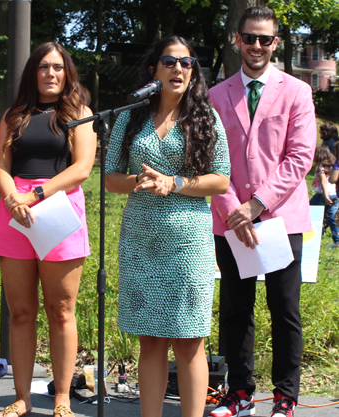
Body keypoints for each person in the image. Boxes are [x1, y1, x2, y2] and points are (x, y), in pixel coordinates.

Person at [105, 36, 230, 417]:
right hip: (141, 241)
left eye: (187, 63)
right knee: (150, 341)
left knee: (190, 341)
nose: (179, 69)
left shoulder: (206, 118)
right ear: (153, 70)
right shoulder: (130, 116)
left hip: (188, 242)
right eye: (170, 62)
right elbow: (111, 176)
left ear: (193, 73)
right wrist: (138, 182)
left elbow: (221, 180)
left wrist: (173, 183)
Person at [208, 6, 316, 417]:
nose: (257, 46)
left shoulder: (297, 91)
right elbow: (211, 159)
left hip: (280, 219)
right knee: (236, 308)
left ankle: (285, 397)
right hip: (231, 219)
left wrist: (257, 204)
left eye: (265, 39)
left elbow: (300, 156)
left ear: (276, 43)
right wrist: (235, 208)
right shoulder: (217, 95)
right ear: (237, 40)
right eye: (249, 38)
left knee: (284, 310)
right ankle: (240, 394)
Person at [0, 42, 96, 417]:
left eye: (58, 67)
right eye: (43, 67)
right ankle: (22, 398)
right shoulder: (14, 114)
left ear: (67, 73)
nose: (51, 73)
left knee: (61, 309)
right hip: (15, 213)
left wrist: (33, 195)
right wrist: (12, 199)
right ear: (33, 72)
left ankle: (62, 398)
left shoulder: (79, 112)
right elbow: (0, 165)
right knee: (20, 311)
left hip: (58, 210)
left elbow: (82, 168)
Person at [310, 146, 339, 248]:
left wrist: (326, 196)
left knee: (309, 210)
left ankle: (311, 233)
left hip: (324, 194)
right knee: (332, 217)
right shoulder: (332, 165)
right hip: (335, 194)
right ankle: (337, 240)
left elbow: (323, 181)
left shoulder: (320, 167)